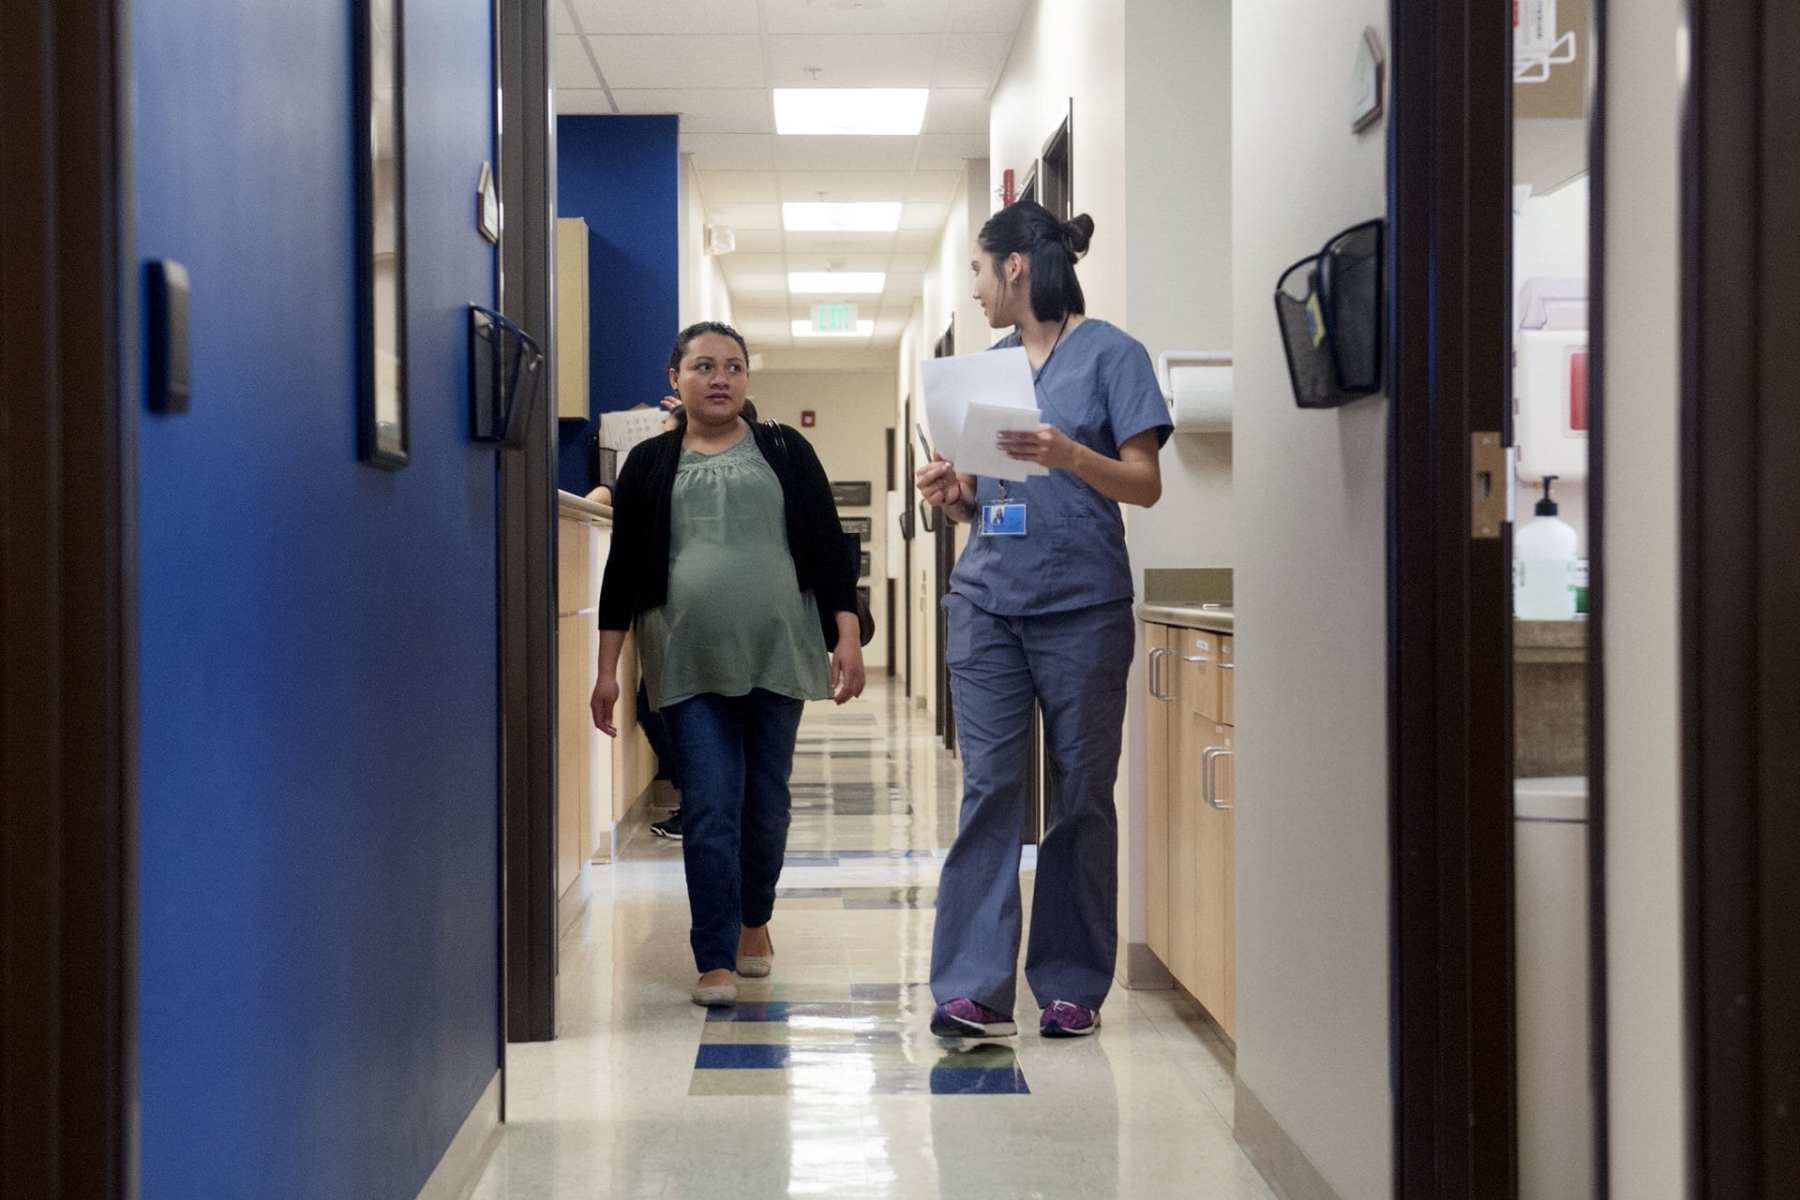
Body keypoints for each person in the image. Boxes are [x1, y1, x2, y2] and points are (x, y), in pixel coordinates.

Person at [915, 202, 1172, 1040]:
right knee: (991, 790)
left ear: (1017, 266)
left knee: (1081, 796)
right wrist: (955, 498)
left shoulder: (1112, 356)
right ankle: (972, 987)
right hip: (987, 602)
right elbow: (986, 500)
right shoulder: (982, 373)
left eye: (981, 273)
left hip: (1083, 609)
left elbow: (1143, 483)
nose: (978, 291)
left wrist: (1070, 455)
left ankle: (1070, 984)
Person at [592, 321, 866, 1007]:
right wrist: (607, 670)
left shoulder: (784, 448)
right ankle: (712, 956)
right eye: (704, 366)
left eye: (733, 367)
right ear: (674, 379)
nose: (720, 378)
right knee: (711, 805)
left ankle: (754, 920)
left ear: (747, 380)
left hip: (779, 650)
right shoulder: (650, 464)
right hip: (685, 658)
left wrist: (848, 635)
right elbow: (622, 571)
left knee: (765, 806)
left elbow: (830, 548)